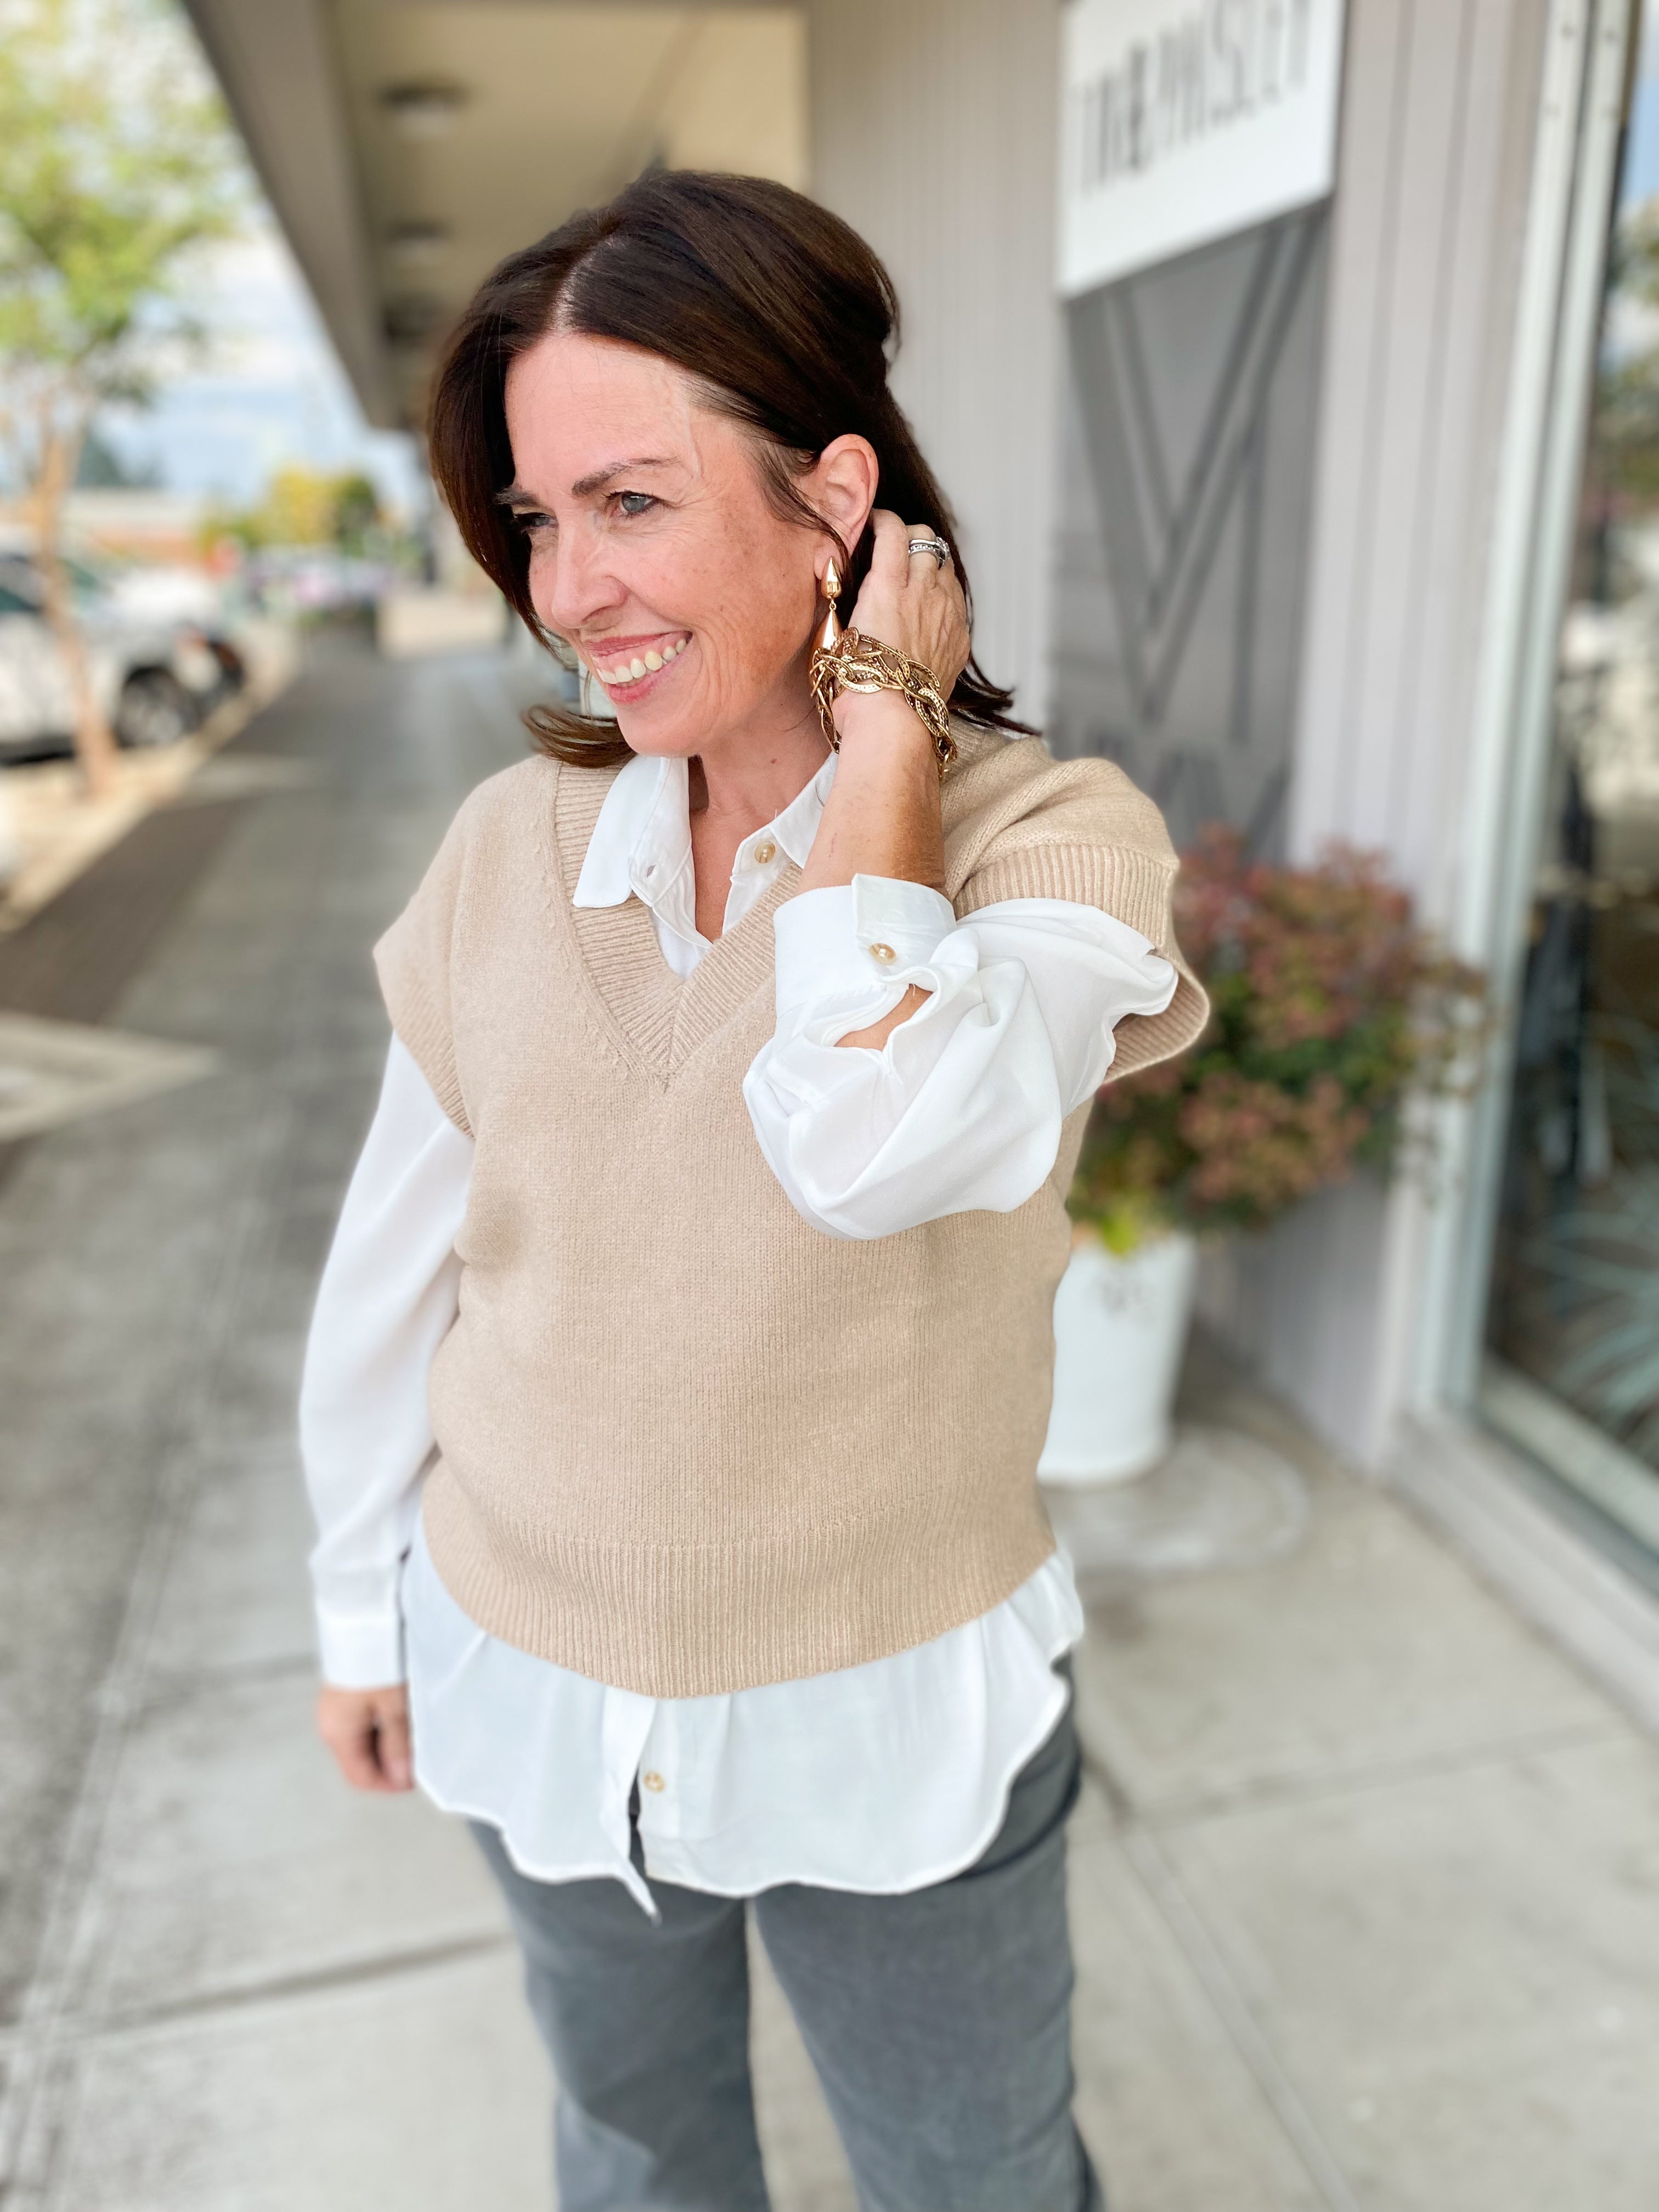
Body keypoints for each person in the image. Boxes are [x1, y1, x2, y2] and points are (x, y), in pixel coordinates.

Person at [300, 170, 1206, 2212]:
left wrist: (885, 739)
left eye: (630, 502)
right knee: (637, 2155)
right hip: (523, 1669)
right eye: (539, 518)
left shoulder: (1058, 846)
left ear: (834, 505)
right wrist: (361, 1605)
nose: (571, 587)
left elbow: (876, 1145)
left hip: (890, 1707)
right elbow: (393, 1273)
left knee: (974, 2179)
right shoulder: (507, 849)